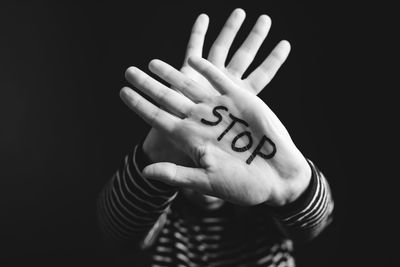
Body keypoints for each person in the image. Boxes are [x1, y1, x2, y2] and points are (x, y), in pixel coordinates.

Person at [97, 8, 334, 267]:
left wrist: (292, 185)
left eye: (223, 146)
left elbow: (312, 226)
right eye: (196, 149)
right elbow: (116, 231)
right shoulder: (162, 211)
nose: (209, 159)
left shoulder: (263, 204)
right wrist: (156, 155)